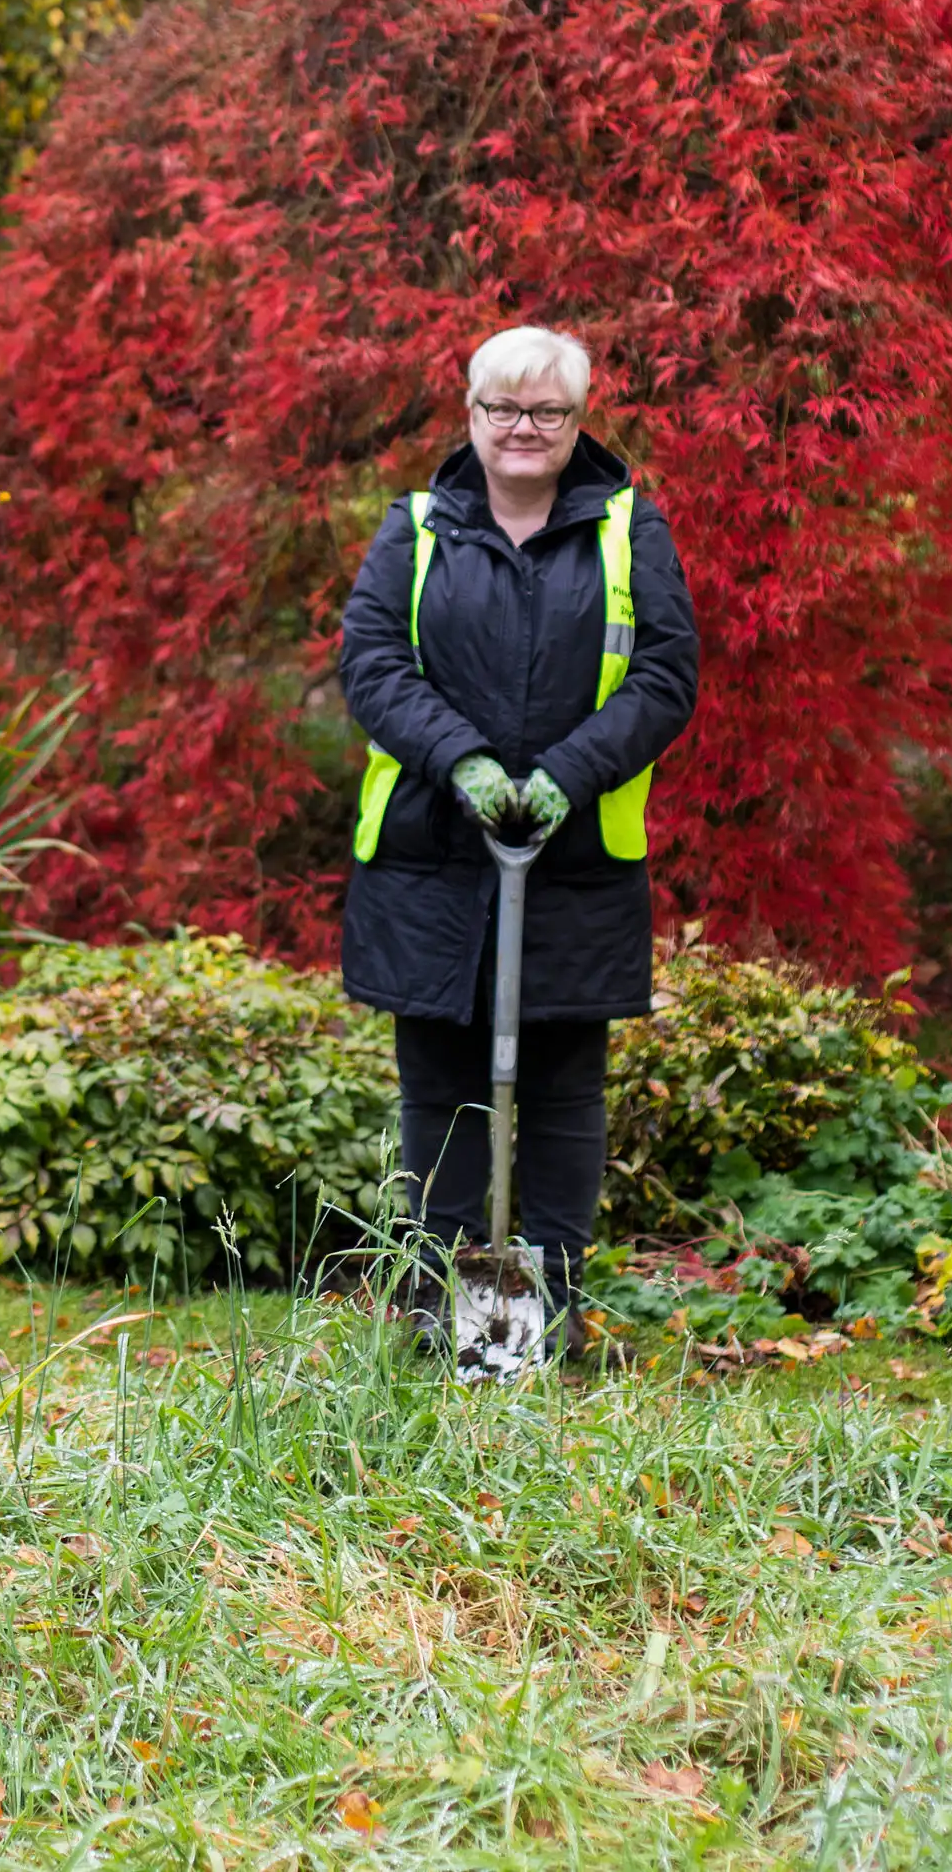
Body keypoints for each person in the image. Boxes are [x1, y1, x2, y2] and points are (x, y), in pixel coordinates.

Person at [338, 324, 699, 1353]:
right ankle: (425, 1312)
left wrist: (564, 780)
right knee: (438, 1094)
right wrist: (462, 761)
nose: (523, 429)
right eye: (503, 409)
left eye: (547, 411)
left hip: (575, 864)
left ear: (579, 421)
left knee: (562, 1092)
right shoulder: (414, 528)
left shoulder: (631, 529)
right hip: (432, 860)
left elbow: (666, 677)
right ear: (472, 416)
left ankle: (546, 1318)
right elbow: (372, 664)